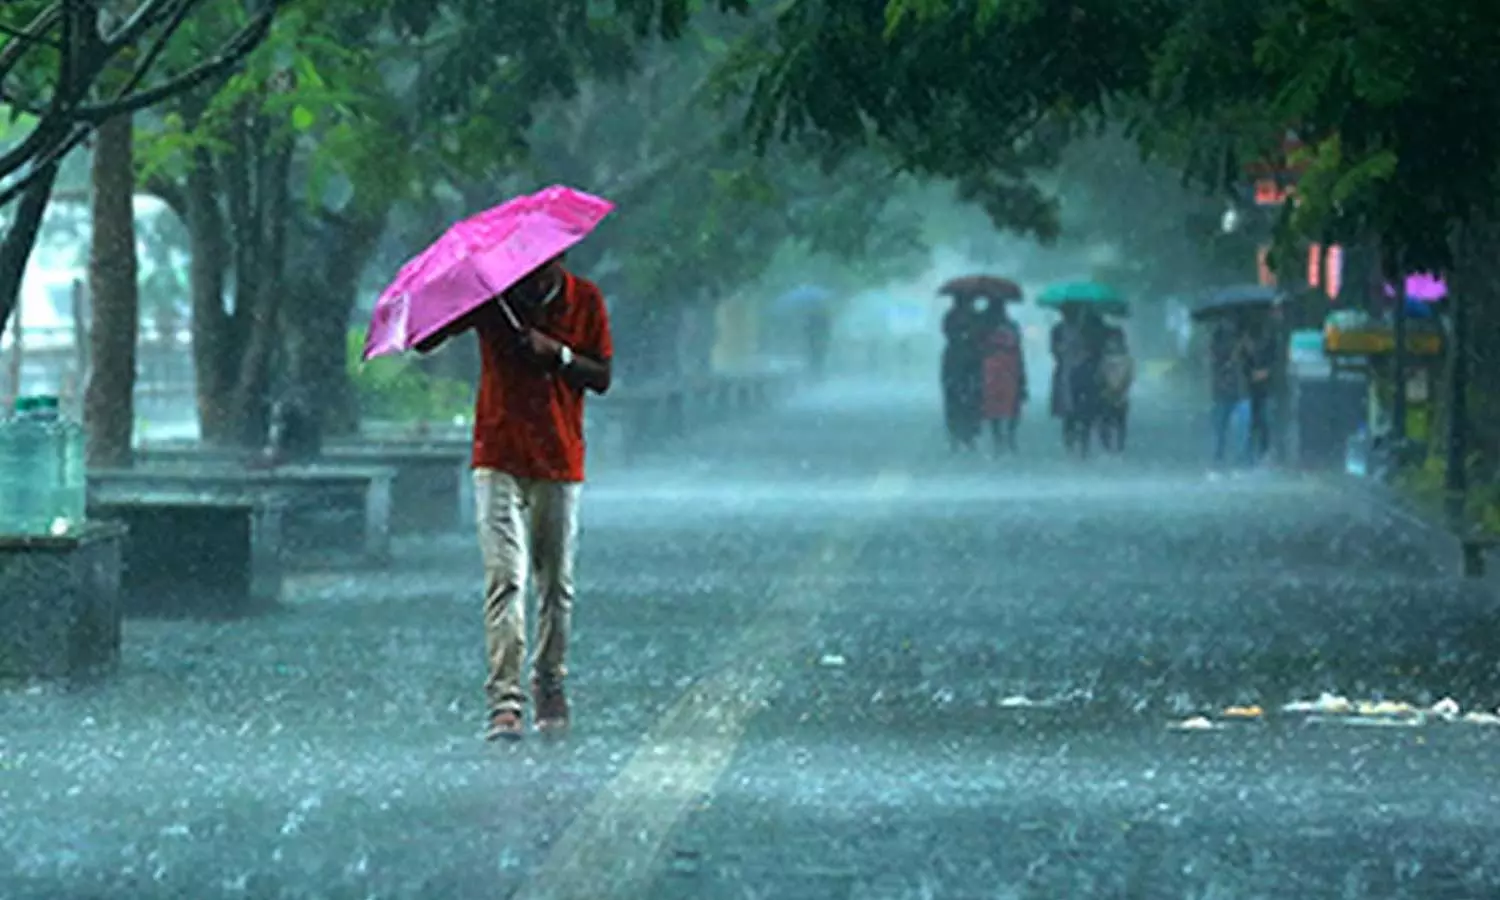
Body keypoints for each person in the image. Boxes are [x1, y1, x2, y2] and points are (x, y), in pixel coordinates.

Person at [416, 253, 613, 741]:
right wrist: (449, 296)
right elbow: (426, 341)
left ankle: (549, 681)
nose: (531, 273)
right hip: (498, 454)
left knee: (556, 584)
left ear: (561, 258)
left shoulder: (584, 299)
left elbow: (603, 376)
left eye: (542, 265)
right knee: (505, 578)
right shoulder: (493, 299)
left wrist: (558, 354)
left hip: (559, 458)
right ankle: (505, 700)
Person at [979, 301, 1027, 453]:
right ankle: (1006, 436)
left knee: (999, 403)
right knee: (1007, 403)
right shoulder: (1008, 327)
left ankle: (1001, 437)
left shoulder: (987, 329)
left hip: (997, 368)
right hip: (1005, 368)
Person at [940, 293, 985, 452]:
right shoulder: (954, 317)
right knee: (957, 400)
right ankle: (959, 435)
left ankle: (967, 435)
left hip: (968, 362)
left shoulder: (973, 317)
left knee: (968, 400)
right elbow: (949, 334)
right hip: (960, 362)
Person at [1208, 319, 1250, 471]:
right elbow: (1219, 364)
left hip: (1239, 392)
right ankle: (1219, 461)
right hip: (1223, 392)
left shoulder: (1243, 344)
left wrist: (1244, 346)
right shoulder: (1217, 346)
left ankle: (1238, 462)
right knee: (1221, 430)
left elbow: (1251, 360)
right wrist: (1235, 351)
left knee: (1240, 430)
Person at [1096, 326, 1135, 453]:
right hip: (1109, 394)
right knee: (1109, 421)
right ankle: (1111, 445)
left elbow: (1129, 377)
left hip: (1118, 395)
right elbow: (1100, 376)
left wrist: (1121, 390)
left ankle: (1117, 445)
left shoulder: (1126, 359)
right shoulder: (1105, 358)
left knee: (1118, 421)